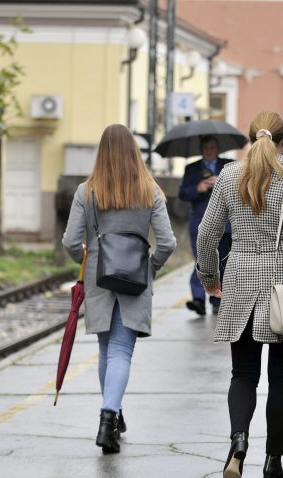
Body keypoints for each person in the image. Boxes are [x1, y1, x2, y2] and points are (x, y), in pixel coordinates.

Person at [196, 111, 283, 478]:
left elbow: (207, 234)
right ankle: (273, 462)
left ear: (251, 139)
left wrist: (209, 277)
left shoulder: (231, 176)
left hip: (239, 279)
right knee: (281, 378)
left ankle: (237, 445)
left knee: (243, 374)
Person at [62, 124, 176, 454]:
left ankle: (111, 416)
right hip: (135, 280)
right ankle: (109, 416)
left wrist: (88, 259)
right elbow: (167, 243)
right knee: (121, 352)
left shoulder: (87, 191)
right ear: (133, 152)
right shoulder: (149, 190)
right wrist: (149, 267)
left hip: (99, 278)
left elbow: (70, 241)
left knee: (106, 351)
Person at [179, 135, 234, 316]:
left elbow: (241, 188)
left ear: (217, 148)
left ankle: (217, 299)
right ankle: (198, 300)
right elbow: (183, 193)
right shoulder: (192, 169)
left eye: (212, 147)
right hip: (199, 223)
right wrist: (199, 188)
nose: (209, 151)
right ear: (201, 150)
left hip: (224, 225)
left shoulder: (229, 166)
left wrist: (222, 182)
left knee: (221, 263)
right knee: (201, 262)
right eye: (205, 148)